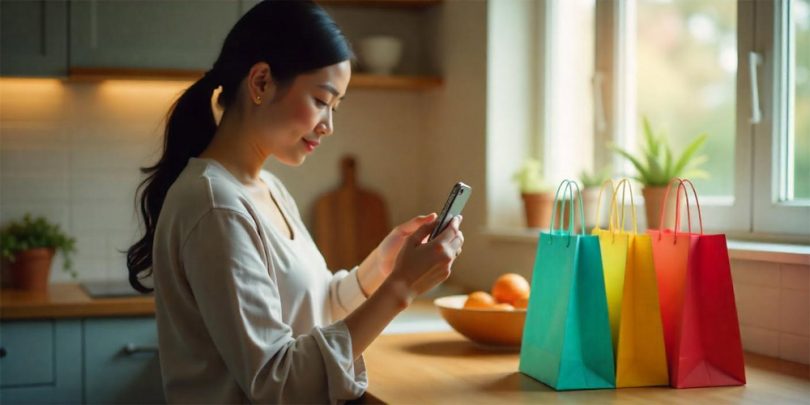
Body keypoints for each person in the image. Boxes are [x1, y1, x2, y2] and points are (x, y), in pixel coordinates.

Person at [126, 1, 464, 403]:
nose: (329, 125)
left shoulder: (267, 188)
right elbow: (277, 383)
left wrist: (381, 267)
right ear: (261, 82)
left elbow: (316, 307)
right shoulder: (216, 206)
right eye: (322, 100)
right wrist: (401, 288)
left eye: (335, 107)